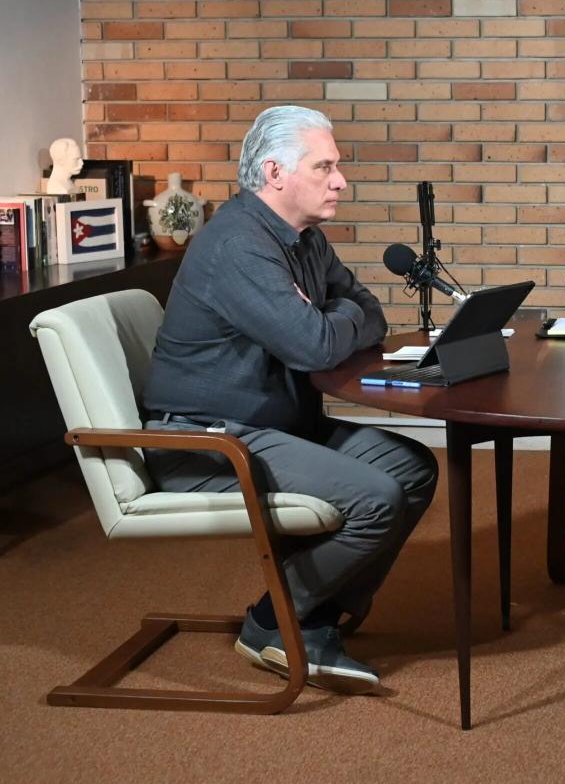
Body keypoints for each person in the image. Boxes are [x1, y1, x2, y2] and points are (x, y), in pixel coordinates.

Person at [142, 105, 438, 694]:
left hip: (278, 426)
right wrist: (330, 319)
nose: (340, 181)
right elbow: (314, 345)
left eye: (337, 166)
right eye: (324, 166)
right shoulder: (239, 246)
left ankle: (316, 614)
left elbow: (370, 312)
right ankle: (272, 622)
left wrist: (333, 315)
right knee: (377, 499)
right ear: (275, 173)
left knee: (415, 468)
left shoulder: (306, 240)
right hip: (210, 441)